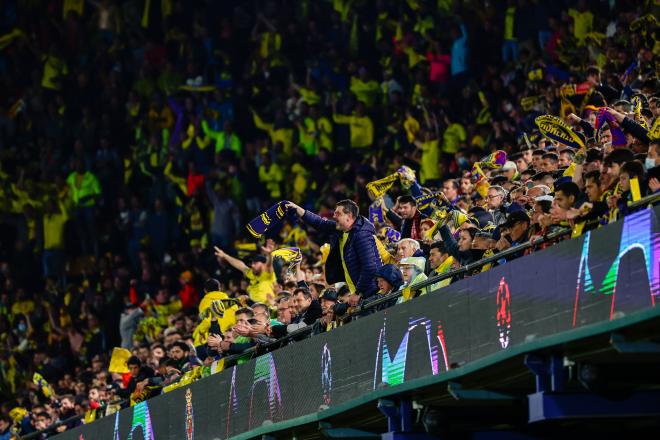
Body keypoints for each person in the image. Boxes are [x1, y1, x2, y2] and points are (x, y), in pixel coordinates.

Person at [287, 200, 382, 305]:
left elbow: (370, 267)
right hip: (361, 295)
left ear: (349, 216)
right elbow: (320, 223)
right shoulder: (341, 230)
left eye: (338, 213)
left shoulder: (361, 235)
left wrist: (358, 292)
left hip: (371, 294)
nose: (334, 216)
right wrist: (297, 208)